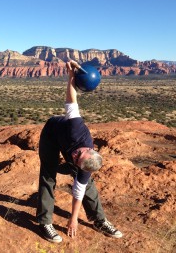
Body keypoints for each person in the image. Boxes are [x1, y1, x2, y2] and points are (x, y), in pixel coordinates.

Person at [36, 61, 123, 243]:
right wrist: (71, 76)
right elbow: (71, 101)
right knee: (48, 175)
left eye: (76, 159)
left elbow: (78, 191)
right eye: (77, 155)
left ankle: (99, 220)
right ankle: (45, 222)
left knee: (87, 185)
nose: (74, 156)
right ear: (87, 149)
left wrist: (73, 218)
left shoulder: (84, 166)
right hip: (52, 132)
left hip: (75, 153)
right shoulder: (77, 131)